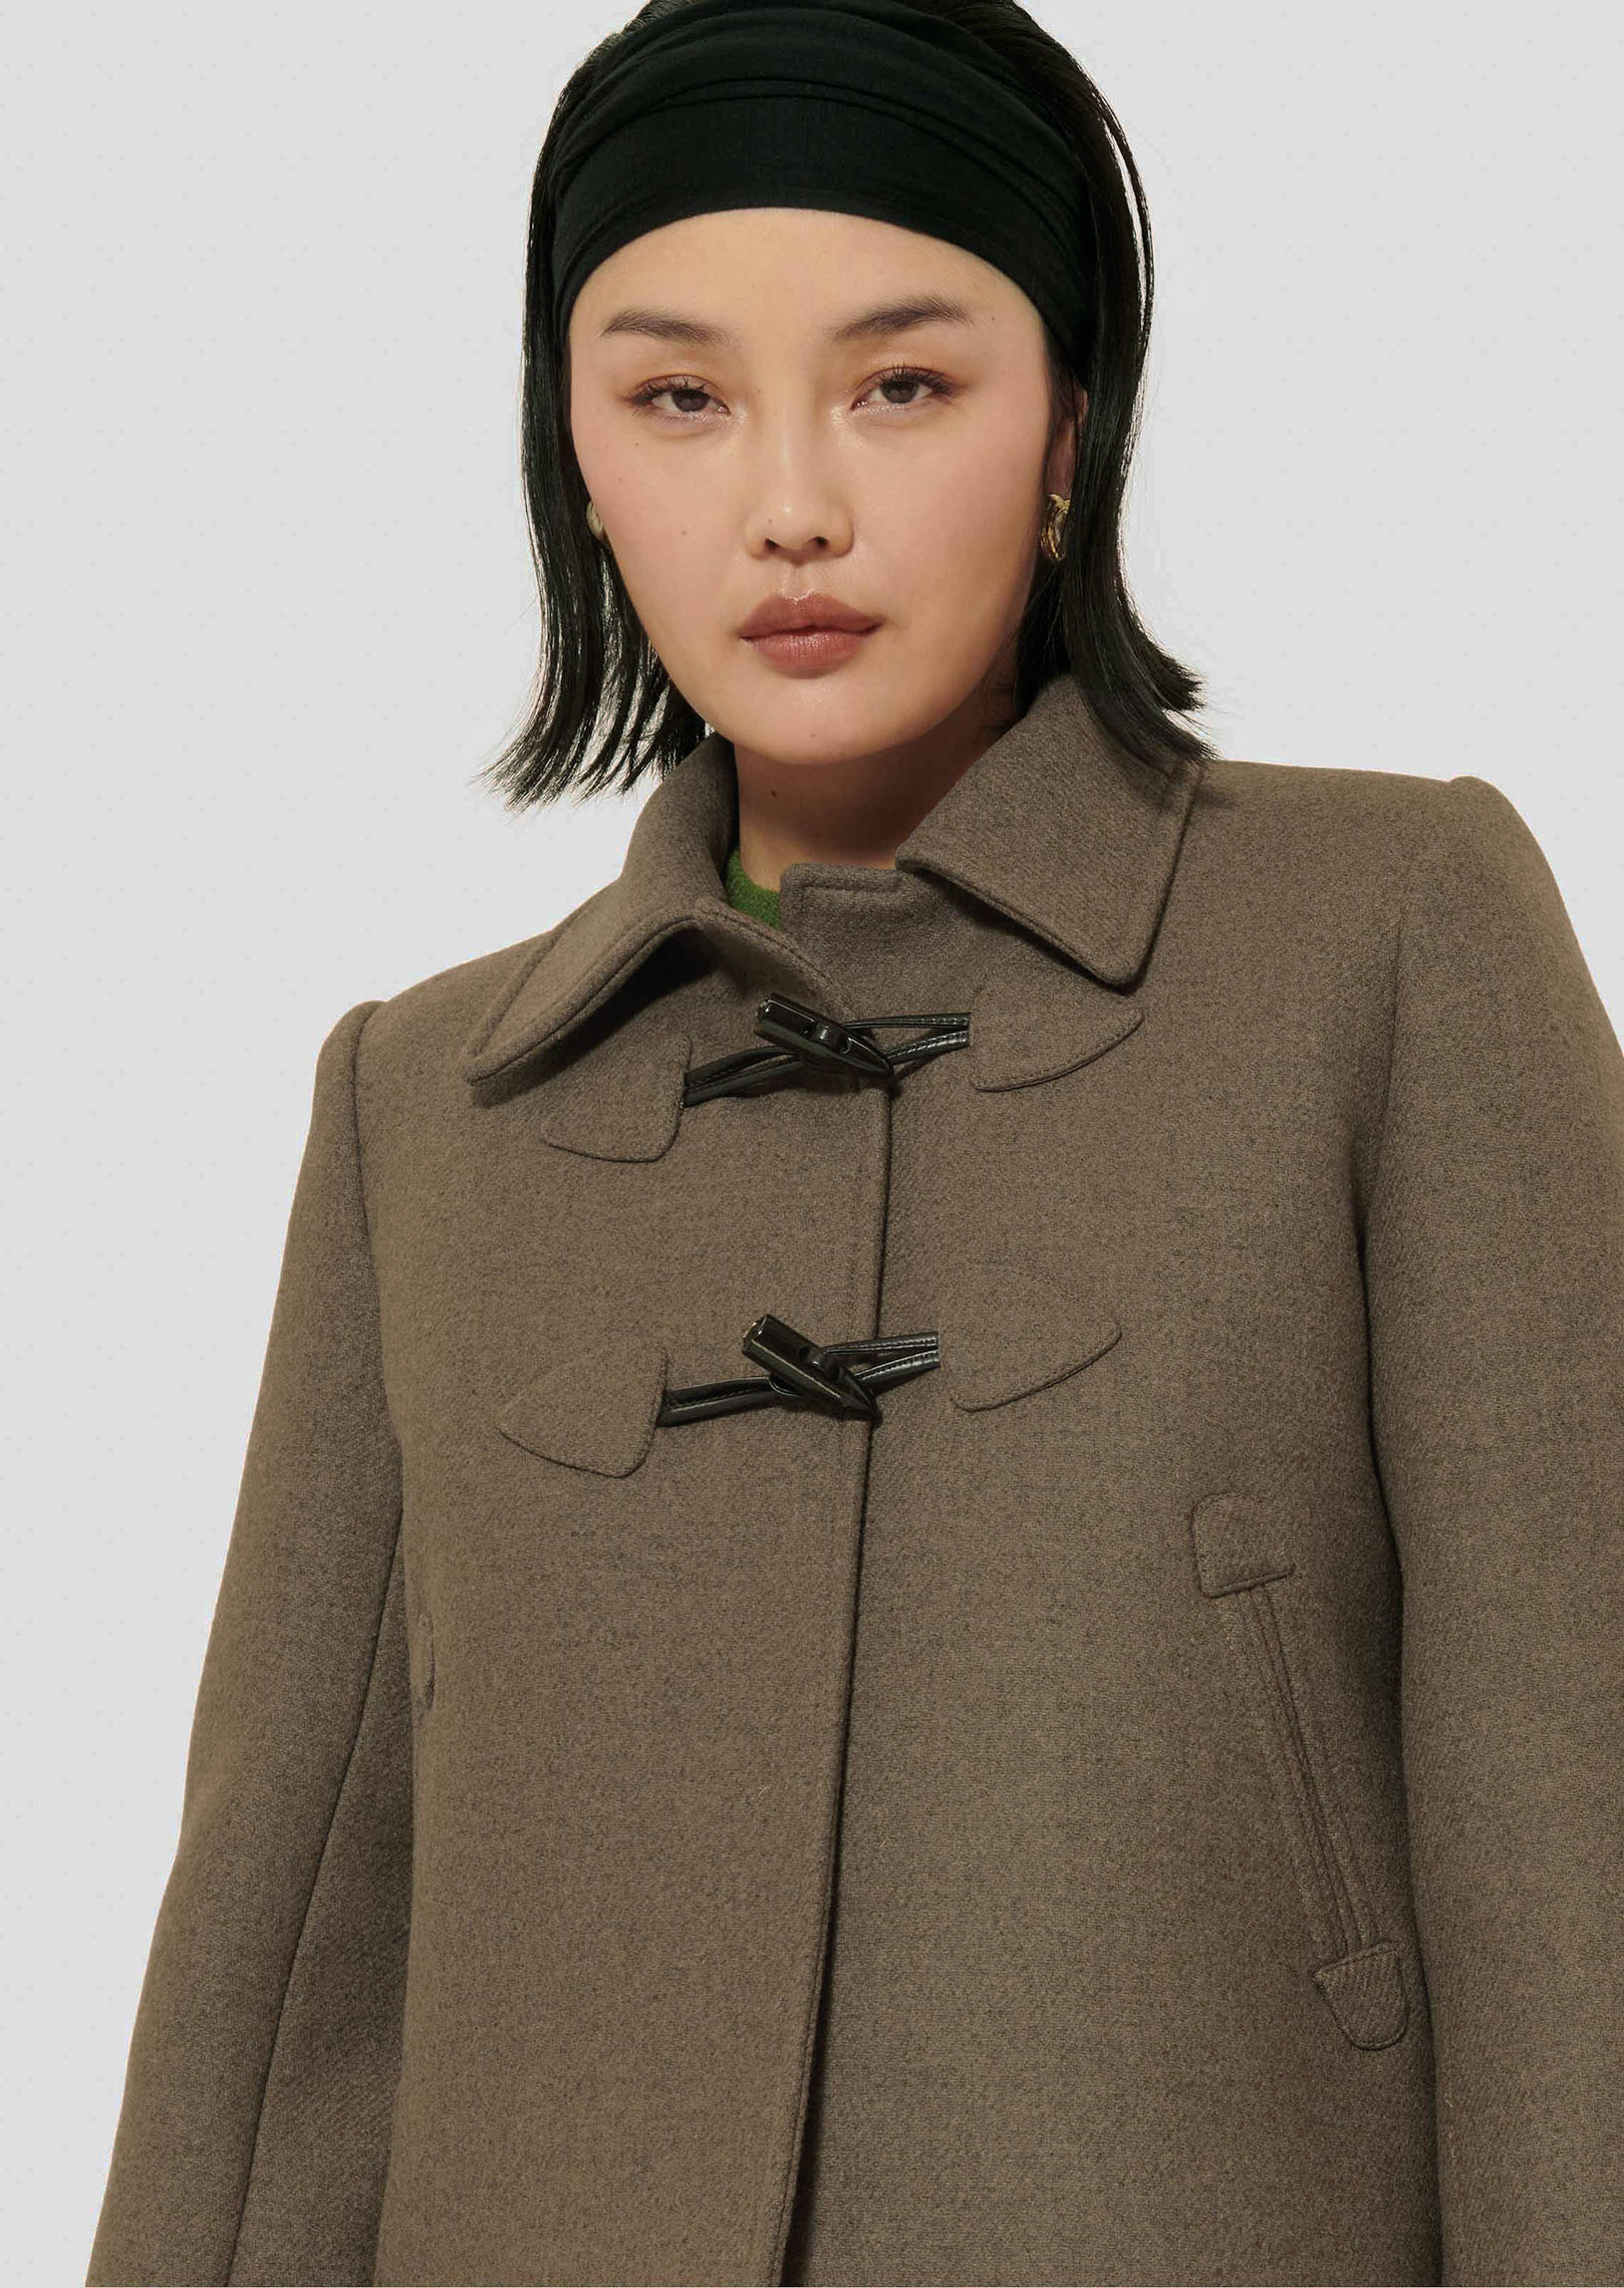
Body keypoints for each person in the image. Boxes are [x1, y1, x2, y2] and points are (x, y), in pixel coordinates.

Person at [86, 1, 1624, 2283]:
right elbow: (278, 1976)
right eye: (676, 396)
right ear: (572, 456)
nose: (787, 501)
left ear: (1067, 422)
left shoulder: (1384, 944)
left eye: (898, 383)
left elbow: (1571, 1848)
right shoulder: (424, 1105)